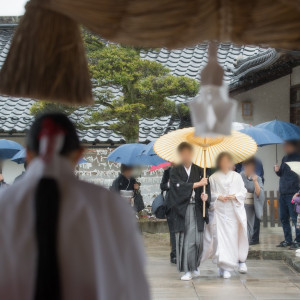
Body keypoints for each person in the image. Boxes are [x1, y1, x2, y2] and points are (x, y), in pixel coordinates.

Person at [0, 113, 150, 300]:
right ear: (79, 154)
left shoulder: (4, 203)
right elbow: (133, 286)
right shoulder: (109, 205)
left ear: (28, 154)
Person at [202, 152, 248, 279]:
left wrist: (235, 196)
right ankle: (223, 267)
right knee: (220, 240)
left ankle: (237, 262)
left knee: (232, 238)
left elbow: (243, 191)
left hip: (233, 211)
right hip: (219, 212)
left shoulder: (237, 176)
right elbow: (210, 194)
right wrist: (218, 196)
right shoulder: (213, 177)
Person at [168, 142, 210, 281]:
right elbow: (177, 188)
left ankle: (195, 266)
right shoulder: (175, 171)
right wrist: (198, 184)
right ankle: (186, 270)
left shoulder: (199, 170)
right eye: (183, 153)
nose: (187, 155)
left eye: (189, 152)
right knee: (186, 240)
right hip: (183, 209)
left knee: (198, 240)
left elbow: (205, 189)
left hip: (197, 208)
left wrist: (205, 196)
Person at [275, 141, 300, 250]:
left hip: (293, 193)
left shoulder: (298, 158)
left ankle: (298, 240)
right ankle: (288, 240)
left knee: (295, 219)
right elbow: (282, 174)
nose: (284, 147)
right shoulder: (285, 158)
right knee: (284, 218)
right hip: (283, 192)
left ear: (292, 146)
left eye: (286, 145)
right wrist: (277, 170)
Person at [236, 157, 264, 245]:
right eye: (247, 166)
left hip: (252, 205)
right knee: (241, 227)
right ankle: (241, 246)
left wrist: (255, 182)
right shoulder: (240, 176)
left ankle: (247, 243)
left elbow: (260, 194)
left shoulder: (257, 178)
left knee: (250, 228)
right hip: (241, 205)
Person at [160, 164, 176, 264]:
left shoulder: (184, 170)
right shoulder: (168, 171)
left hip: (182, 204)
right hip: (170, 205)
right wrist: (169, 184)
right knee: (173, 231)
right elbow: (162, 185)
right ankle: (174, 254)